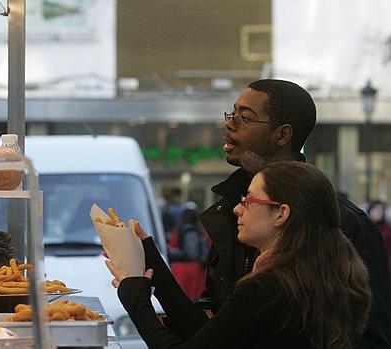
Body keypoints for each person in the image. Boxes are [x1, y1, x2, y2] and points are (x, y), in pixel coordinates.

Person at [195, 79, 391, 348]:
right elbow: (220, 308)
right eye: (232, 114)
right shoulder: (233, 208)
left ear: (283, 135)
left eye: (245, 117)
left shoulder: (342, 222)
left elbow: (371, 335)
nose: (230, 123)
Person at [107, 161, 372, 348]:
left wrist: (136, 301)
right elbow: (207, 335)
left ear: (281, 213)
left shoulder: (268, 287)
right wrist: (150, 258)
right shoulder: (321, 274)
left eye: (248, 201)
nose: (237, 209)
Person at [167, 203, 209, 299]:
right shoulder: (194, 230)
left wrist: (173, 252)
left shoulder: (186, 230)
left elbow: (191, 253)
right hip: (194, 270)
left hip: (185, 270)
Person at [367, 200, 391, 274]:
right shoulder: (364, 227)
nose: (378, 213)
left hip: (384, 266)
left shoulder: (387, 229)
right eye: (376, 210)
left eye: (380, 210)